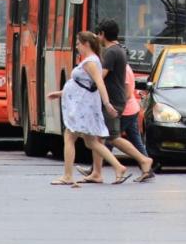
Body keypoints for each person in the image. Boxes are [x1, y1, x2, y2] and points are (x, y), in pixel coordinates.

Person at [46, 31, 131, 187]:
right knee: (92, 142)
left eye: (78, 44)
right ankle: (119, 167)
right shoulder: (92, 61)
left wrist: (107, 104)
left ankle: (67, 175)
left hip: (82, 107)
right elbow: (81, 86)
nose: (77, 47)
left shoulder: (90, 62)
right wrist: (60, 93)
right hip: (83, 105)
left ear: (85, 44)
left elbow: (99, 84)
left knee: (70, 137)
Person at [82, 19, 155, 184]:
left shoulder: (111, 52)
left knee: (112, 137)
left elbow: (101, 77)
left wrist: (87, 85)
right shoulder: (117, 50)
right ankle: (96, 173)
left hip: (113, 101)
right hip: (116, 99)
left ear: (102, 34)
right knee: (99, 137)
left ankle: (144, 160)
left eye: (98, 34)